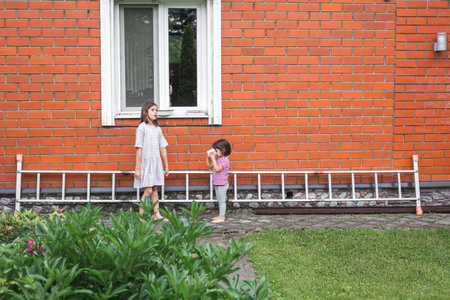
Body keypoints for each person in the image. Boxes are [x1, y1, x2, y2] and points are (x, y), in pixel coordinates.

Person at [134, 101, 170, 221]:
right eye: (153, 110)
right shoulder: (141, 128)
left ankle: (157, 215)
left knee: (154, 189)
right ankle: (141, 216)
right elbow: (139, 148)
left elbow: (163, 148)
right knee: (148, 189)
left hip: (156, 162)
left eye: (156, 110)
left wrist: (166, 166)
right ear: (145, 112)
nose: (155, 112)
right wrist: (138, 168)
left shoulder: (157, 129)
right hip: (146, 163)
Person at [206, 139, 231, 224]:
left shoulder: (225, 160)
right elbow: (209, 166)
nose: (215, 153)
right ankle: (220, 215)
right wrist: (208, 158)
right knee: (219, 200)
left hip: (222, 184)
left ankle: (221, 217)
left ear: (223, 150)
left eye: (216, 150)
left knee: (222, 201)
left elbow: (217, 169)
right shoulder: (218, 159)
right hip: (217, 183)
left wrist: (213, 158)